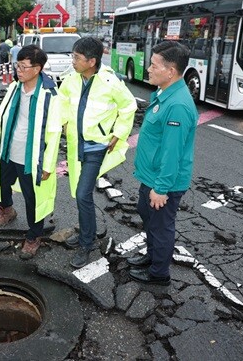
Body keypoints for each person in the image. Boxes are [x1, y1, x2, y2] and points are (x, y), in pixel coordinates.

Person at [58, 37, 137, 269]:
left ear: (91, 61)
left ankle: (86, 243)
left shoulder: (110, 81)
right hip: (75, 145)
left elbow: (128, 106)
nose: (72, 61)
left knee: (83, 194)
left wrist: (119, 133)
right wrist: (62, 124)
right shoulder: (71, 79)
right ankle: (87, 233)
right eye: (72, 56)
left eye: (76, 57)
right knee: (79, 193)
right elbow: (62, 103)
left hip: (96, 147)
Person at [127, 41, 198, 286]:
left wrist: (162, 188)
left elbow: (172, 153)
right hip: (151, 177)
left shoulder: (177, 105)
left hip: (162, 182)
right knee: (149, 220)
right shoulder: (163, 93)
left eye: (153, 65)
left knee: (161, 227)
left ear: (170, 72)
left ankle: (159, 274)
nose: (148, 68)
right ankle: (152, 256)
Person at [0, 45, 62, 260]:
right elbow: (3, 118)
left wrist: (47, 165)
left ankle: (34, 236)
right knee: (2, 184)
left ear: (37, 69)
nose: (18, 70)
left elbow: (54, 132)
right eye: (17, 65)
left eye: (23, 66)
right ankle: (7, 210)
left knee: (33, 198)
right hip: (9, 149)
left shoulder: (50, 95)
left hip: (32, 156)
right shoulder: (14, 87)